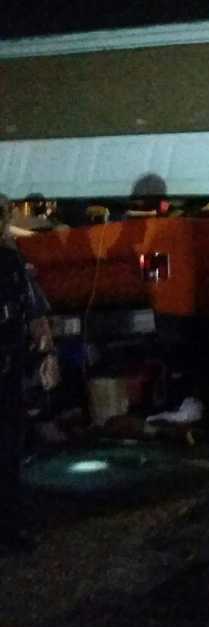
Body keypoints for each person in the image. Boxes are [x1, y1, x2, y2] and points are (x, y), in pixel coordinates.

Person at [0, 194, 58, 552]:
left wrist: (46, 350)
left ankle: (9, 529)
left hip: (8, 366)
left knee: (8, 451)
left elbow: (32, 309)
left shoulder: (10, 260)